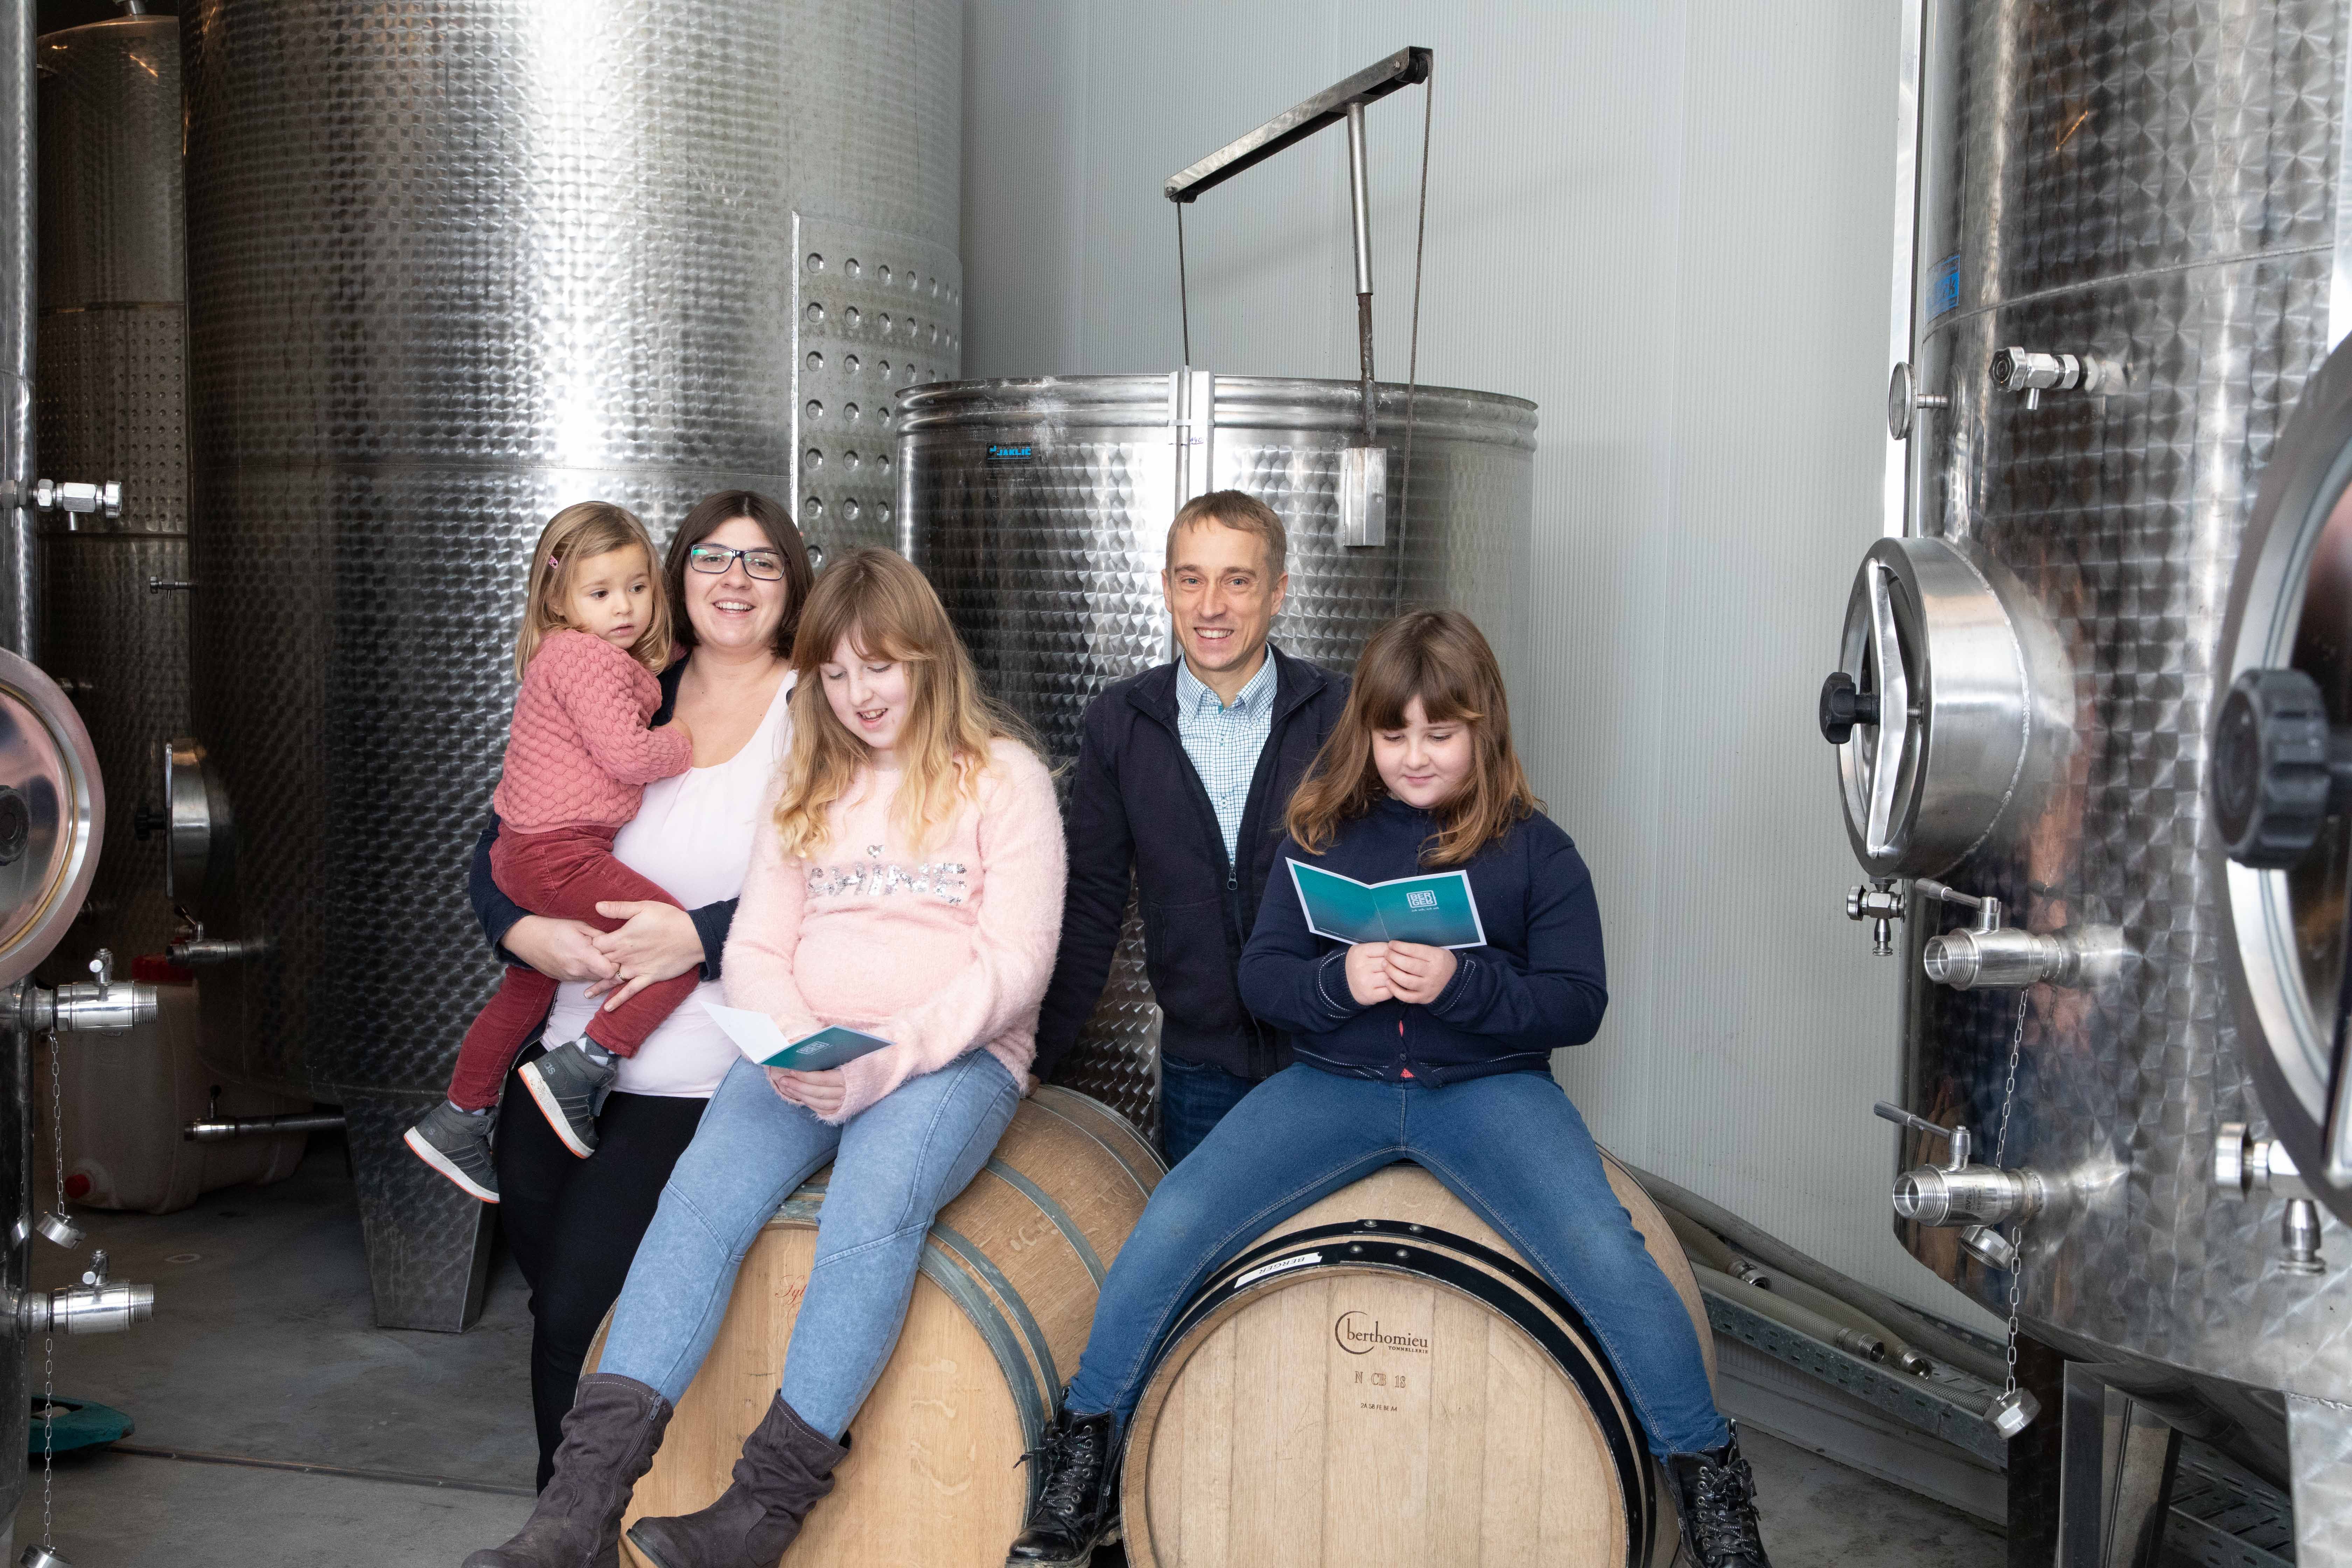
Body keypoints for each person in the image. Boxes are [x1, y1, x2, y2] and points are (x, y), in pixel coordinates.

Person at [1007, 610, 1774, 1568]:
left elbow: (1578, 1004)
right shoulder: (1321, 837)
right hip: (1336, 1086)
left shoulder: (1540, 852)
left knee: (1602, 1249)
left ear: (1484, 729)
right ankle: (1082, 1458)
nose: (1415, 755)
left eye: (1441, 733)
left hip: (1487, 1091)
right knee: (1177, 1212)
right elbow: (1265, 980)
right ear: (1365, 733)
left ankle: (1712, 1492)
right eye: (1394, 732)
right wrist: (1343, 983)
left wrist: (1466, 983)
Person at [465, 547, 1066, 1568]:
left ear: (927, 658)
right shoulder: (811, 776)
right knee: (696, 1203)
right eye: (833, 673)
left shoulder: (1001, 776)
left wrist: (891, 1057)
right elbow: (754, 945)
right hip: (804, 1050)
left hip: (950, 1057)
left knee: (870, 1214)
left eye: (878, 667)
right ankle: (573, 1514)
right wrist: (787, 1043)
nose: (857, 694)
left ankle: (759, 1512)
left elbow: (1015, 964)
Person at [472, 489, 813, 1489]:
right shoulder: (628, 691)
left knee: (578, 1302)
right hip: (560, 1065)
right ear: (677, 577)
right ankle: (592, 1519)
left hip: (699, 1075)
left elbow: (848, 884)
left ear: (792, 584)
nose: (734, 582)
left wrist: (696, 937)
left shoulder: (818, 709)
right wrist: (521, 927)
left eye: (761, 563)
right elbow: (498, 838)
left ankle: (564, 1533)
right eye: (712, 559)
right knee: (555, 1310)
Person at [1035, 489, 1349, 1161]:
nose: (1212, 606)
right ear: (1168, 588)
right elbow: (1092, 904)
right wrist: (1035, 1054)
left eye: (1238, 580)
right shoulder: (1120, 723)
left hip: (1332, 1060)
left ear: (1278, 592)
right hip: (1199, 1069)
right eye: (1192, 579)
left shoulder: (1341, 715)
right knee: (1208, 1264)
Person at [407, 503, 699, 1198]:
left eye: (639, 586)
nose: (624, 607)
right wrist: (683, 739)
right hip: (561, 852)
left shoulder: (585, 655)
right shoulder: (584, 657)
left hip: (526, 851)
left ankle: (460, 1113)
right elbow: (629, 752)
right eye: (601, 594)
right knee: (673, 942)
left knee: (526, 990)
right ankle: (586, 1063)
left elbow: (651, 671)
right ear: (558, 599)